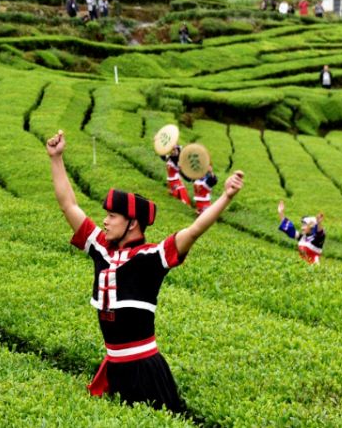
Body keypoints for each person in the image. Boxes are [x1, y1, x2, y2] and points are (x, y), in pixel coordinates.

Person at [47, 129, 244, 412]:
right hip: (113, 367)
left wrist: (225, 197)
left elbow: (195, 229)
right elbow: (69, 204)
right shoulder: (102, 248)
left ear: (132, 223)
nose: (105, 221)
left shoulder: (152, 256)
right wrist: (56, 158)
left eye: (112, 216)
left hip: (145, 371)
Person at [277, 200, 325, 264]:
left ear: (311, 226)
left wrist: (319, 223)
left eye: (304, 225)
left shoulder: (316, 241)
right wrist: (281, 212)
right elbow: (290, 229)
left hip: (313, 268)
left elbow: (320, 234)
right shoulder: (302, 238)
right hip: (302, 266)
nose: (302, 228)